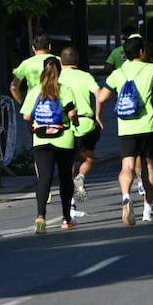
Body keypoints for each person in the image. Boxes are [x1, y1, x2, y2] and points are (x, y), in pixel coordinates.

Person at [99, 37, 153, 227]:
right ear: (141, 52)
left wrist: (98, 113)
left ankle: (126, 196)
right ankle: (147, 208)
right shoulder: (151, 68)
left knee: (127, 166)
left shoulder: (118, 72)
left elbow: (101, 96)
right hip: (147, 126)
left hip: (125, 126)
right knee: (149, 165)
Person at [20, 55, 78, 233]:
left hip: (41, 140)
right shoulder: (65, 89)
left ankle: (40, 216)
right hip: (64, 139)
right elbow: (71, 114)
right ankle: (66, 218)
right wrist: (74, 120)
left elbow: (27, 116)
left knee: (44, 179)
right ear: (59, 71)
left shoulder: (35, 91)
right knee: (65, 178)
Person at [57, 48, 104, 220]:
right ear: (77, 61)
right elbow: (99, 95)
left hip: (65, 125)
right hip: (86, 123)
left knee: (67, 162)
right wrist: (98, 115)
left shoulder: (58, 78)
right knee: (88, 158)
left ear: (61, 62)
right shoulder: (85, 76)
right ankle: (81, 176)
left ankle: (70, 204)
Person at [9, 33, 52, 103]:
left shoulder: (26, 64)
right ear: (49, 46)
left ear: (33, 48)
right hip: (55, 105)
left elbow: (13, 87)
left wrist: (23, 103)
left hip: (32, 105)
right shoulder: (58, 61)